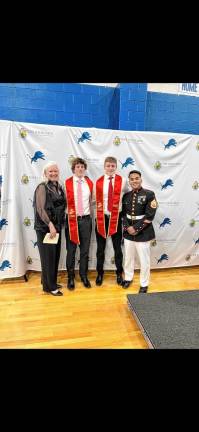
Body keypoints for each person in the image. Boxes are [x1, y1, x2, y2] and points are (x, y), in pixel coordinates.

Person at [95, 156, 129, 286]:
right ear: (104, 167)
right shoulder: (98, 182)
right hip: (101, 218)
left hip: (116, 218)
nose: (110, 168)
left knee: (117, 249)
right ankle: (99, 273)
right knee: (100, 249)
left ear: (116, 167)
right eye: (108, 166)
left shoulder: (123, 181)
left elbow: (126, 194)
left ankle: (119, 273)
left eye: (112, 166)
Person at [33, 161, 66, 296]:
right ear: (45, 173)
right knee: (48, 257)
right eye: (50, 171)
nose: (53, 173)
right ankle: (50, 287)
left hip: (57, 227)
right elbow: (40, 209)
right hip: (45, 228)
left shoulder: (58, 186)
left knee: (54, 256)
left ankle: (48, 281)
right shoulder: (42, 187)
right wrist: (50, 225)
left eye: (55, 171)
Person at [122, 170, 157, 293]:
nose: (134, 181)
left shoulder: (149, 194)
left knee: (144, 260)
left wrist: (136, 228)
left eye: (137, 178)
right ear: (129, 181)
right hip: (128, 233)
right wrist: (127, 228)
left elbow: (149, 216)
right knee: (128, 258)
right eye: (132, 179)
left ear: (141, 179)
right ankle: (128, 278)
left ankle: (144, 284)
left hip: (143, 232)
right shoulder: (126, 196)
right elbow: (123, 215)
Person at [65, 157, 93, 290]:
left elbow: (93, 201)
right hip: (72, 221)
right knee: (71, 250)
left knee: (85, 250)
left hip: (86, 220)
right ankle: (70, 277)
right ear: (73, 169)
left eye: (82, 166)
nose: (80, 169)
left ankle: (83, 275)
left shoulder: (89, 183)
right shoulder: (66, 183)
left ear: (85, 169)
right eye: (78, 167)